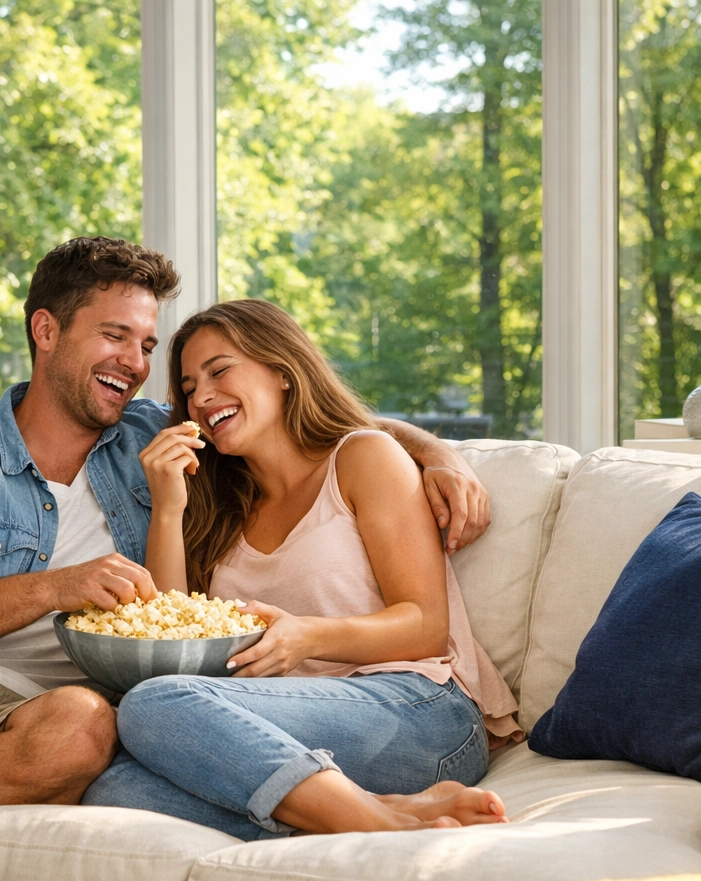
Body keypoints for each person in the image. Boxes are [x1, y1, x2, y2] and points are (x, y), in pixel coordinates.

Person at [0, 238, 493, 851]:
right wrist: (59, 585)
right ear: (46, 331)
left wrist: (438, 451)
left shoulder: (154, 441)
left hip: (55, 709)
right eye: (116, 337)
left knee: (114, 742)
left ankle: (370, 818)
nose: (140, 365)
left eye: (146, 345)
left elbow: (321, 426)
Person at [82, 299, 523, 840]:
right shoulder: (221, 509)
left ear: (282, 372)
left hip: (415, 711)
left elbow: (426, 625)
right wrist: (169, 505)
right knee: (115, 792)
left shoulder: (363, 458)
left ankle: (380, 826)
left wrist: (307, 638)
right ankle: (378, 808)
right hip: (285, 729)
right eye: (190, 388)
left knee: (154, 705)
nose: (202, 397)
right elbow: (173, 636)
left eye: (220, 371)